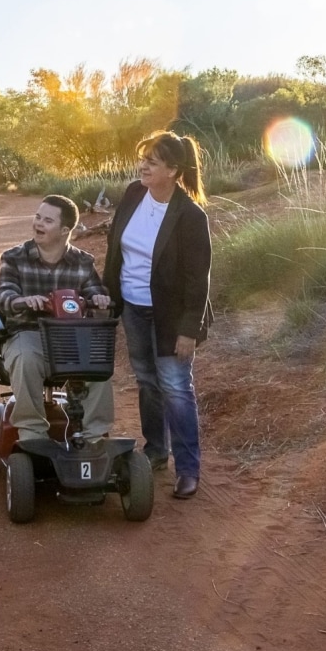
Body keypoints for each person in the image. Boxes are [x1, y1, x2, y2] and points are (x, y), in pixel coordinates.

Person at [104, 131, 213, 500]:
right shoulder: (134, 195)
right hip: (134, 308)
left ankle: (188, 469)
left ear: (174, 169)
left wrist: (189, 331)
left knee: (177, 389)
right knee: (148, 383)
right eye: (143, 157)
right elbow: (113, 251)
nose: (144, 165)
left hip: (172, 316)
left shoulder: (189, 215)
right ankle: (155, 451)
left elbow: (198, 280)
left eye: (153, 160)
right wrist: (109, 298)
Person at [0, 195, 114, 445]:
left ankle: (94, 437)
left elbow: (96, 293)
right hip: (28, 332)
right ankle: (32, 434)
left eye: (47, 220)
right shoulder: (14, 257)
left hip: (69, 338)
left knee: (98, 365)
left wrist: (100, 301)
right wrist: (24, 301)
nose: (38, 223)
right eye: (38, 217)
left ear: (65, 230)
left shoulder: (83, 262)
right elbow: (3, 296)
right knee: (26, 357)